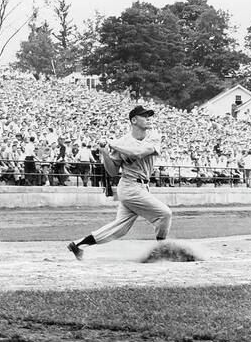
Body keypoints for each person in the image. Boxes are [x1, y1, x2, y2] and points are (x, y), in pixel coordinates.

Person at [67, 105, 172, 260]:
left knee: (119, 229)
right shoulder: (122, 141)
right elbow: (113, 172)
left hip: (142, 186)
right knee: (164, 214)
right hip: (130, 186)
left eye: (149, 116)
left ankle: (78, 245)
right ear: (134, 120)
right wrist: (104, 154)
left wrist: (113, 144)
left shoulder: (153, 136)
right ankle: (161, 249)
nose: (148, 119)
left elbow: (138, 152)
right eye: (144, 116)